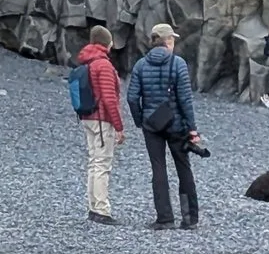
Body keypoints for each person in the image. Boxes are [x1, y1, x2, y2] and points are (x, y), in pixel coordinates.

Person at [125, 23, 202, 230]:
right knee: (183, 168)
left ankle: (165, 218)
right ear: (167, 40)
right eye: (172, 38)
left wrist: (140, 120)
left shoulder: (141, 65)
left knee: (158, 169)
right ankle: (189, 218)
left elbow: (132, 98)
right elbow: (185, 99)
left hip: (152, 125)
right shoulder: (178, 64)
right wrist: (192, 128)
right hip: (176, 124)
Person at [73, 26, 126, 225]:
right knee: (102, 164)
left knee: (94, 162)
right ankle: (102, 210)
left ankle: (93, 207)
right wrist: (119, 126)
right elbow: (109, 99)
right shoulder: (103, 65)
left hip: (87, 117)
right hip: (102, 120)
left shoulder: (87, 61)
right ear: (108, 43)